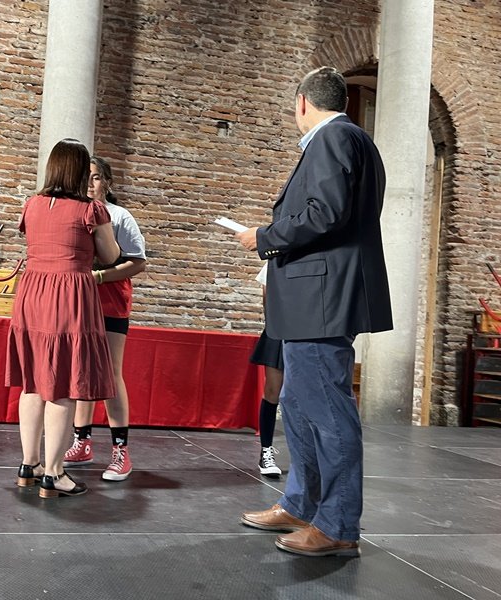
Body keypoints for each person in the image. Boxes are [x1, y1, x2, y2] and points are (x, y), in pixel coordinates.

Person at [235, 67, 392, 557]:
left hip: (321, 297)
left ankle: (339, 525)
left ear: (303, 102)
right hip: (314, 297)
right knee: (300, 404)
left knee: (326, 409)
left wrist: (264, 237)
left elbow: (326, 212)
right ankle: (302, 504)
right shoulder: (352, 140)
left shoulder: (334, 138)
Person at [6, 139, 120, 499]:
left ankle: (29, 464)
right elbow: (111, 256)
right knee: (63, 382)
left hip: (32, 293)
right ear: (80, 171)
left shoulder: (32, 204)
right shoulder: (91, 210)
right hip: (69, 294)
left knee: (33, 382)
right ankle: (54, 474)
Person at [63, 156, 146, 482]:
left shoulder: (120, 216)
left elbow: (138, 262)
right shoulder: (73, 212)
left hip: (111, 303)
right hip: (79, 303)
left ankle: (121, 452)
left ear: (107, 182)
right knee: (81, 372)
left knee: (110, 374)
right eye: (85, 177)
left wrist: (99, 276)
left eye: (96, 177)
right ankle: (81, 442)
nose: (90, 183)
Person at [249, 263, 283, 478]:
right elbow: (266, 293)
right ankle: (266, 451)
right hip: (280, 329)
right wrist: (274, 325)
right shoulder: (275, 261)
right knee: (272, 391)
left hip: (308, 330)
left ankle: (307, 455)